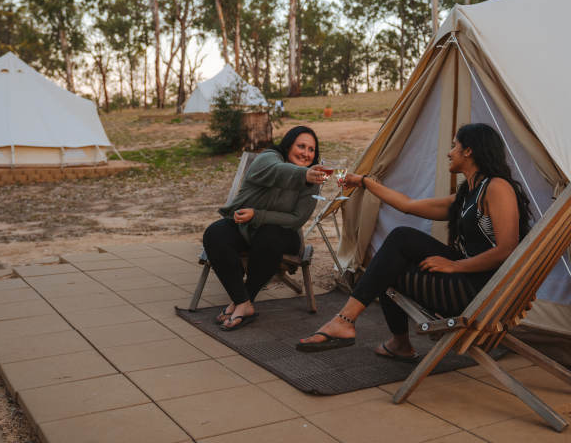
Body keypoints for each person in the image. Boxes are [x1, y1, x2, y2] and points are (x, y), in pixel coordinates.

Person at [296, 123, 531, 361]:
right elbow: (407, 205)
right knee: (397, 245)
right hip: (468, 280)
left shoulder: (497, 187)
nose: (449, 153)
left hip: (481, 291)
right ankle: (383, 337)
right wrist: (363, 181)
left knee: (389, 263)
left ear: (468, 151)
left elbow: (507, 249)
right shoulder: (467, 195)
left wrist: (455, 266)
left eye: (454, 146)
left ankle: (352, 325)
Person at [204, 125, 328, 331]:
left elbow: (297, 219)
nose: (306, 153)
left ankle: (244, 300)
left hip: (283, 234)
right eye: (301, 146)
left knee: (269, 236)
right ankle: (242, 302)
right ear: (288, 145)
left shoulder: (312, 179)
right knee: (215, 234)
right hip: (246, 227)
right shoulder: (268, 158)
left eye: (311, 150)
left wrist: (258, 215)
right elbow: (277, 172)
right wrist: (305, 175)